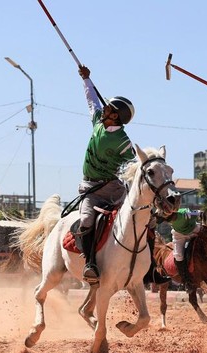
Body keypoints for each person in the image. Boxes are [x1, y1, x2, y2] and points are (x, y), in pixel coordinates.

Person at [76, 65, 136, 285]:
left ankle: (149, 268)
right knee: (85, 221)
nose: (104, 111)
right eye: (106, 107)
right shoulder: (98, 122)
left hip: (113, 189)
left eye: (109, 109)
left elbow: (131, 169)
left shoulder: (124, 143)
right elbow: (92, 100)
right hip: (90, 188)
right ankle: (90, 264)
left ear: (117, 117)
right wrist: (86, 79)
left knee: (138, 218)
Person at [164, 207, 203, 288]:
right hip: (179, 235)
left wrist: (200, 213)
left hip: (193, 229)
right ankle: (186, 279)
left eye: (170, 217)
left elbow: (195, 212)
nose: (170, 220)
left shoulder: (185, 214)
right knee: (178, 255)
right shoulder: (166, 216)